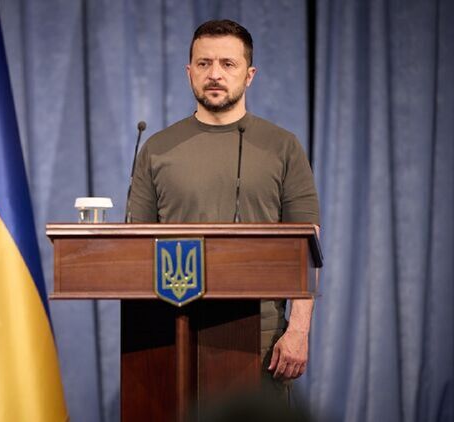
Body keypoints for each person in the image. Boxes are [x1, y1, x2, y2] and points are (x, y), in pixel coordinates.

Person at [127, 19, 320, 400]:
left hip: (260, 338)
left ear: (249, 75)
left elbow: (307, 249)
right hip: (170, 330)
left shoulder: (283, 147)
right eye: (204, 63)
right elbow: (134, 248)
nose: (214, 74)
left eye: (228, 64)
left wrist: (298, 330)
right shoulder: (156, 148)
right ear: (189, 72)